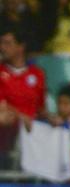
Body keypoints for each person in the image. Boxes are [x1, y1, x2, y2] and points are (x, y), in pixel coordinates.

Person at [0, 26, 45, 169]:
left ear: (21, 47)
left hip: (31, 132)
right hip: (7, 128)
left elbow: (41, 108)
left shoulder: (37, 75)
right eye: (1, 43)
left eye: (7, 43)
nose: (2, 47)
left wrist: (52, 117)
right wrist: (21, 117)